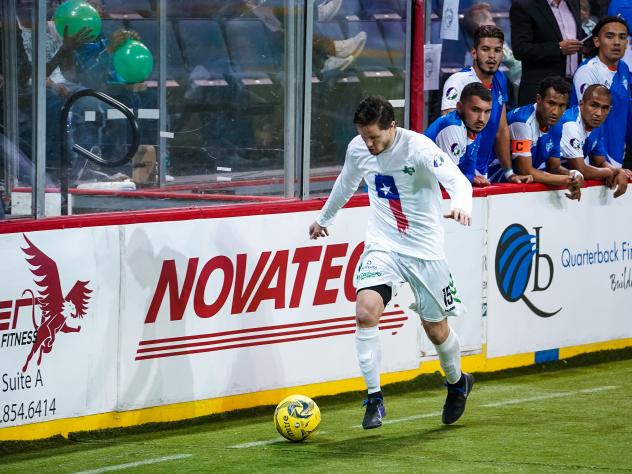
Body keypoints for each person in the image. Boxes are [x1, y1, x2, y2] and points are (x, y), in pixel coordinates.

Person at [309, 96, 475, 429]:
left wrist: (461, 205)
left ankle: (458, 382)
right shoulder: (358, 149)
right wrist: (324, 218)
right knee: (365, 311)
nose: (369, 144)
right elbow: (346, 182)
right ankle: (374, 398)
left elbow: (459, 181)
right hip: (383, 244)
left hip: (424, 250)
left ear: (392, 127)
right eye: (364, 136)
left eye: (375, 137)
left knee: (435, 329)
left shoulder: (420, 149)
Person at [441, 25, 531, 184]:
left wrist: (509, 172)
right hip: (456, 171)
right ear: (474, 53)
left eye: (497, 50)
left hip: (483, 171)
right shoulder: (458, 82)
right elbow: (448, 128)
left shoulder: (500, 79)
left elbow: (501, 129)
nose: (491, 56)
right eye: (485, 49)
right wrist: (466, 172)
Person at [490, 76, 583, 198]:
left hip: (519, 185)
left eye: (562, 106)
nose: (555, 111)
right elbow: (525, 170)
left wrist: (573, 175)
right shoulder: (523, 121)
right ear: (539, 99)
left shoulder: (557, 123)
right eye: (551, 103)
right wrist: (566, 181)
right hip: (495, 178)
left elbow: (554, 167)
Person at [572, 16, 632, 169]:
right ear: (597, 41)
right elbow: (587, 122)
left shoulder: (624, 69)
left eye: (622, 37)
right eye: (610, 36)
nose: (617, 42)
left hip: (618, 156)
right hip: (594, 162)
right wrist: (603, 164)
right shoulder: (588, 71)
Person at [560, 84, 629, 197]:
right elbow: (581, 169)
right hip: (539, 172)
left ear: (609, 109)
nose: (599, 113)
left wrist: (618, 171)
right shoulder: (571, 124)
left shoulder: (595, 124)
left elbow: (600, 162)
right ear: (581, 104)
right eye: (594, 105)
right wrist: (612, 172)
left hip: (565, 177)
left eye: (604, 108)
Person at [510, 0, 583, 105]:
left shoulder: (573, 2)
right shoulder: (524, 5)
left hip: (572, 90)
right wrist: (558, 49)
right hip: (541, 92)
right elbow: (521, 49)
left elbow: (577, 34)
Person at [425, 82, 492, 186]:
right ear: (459, 107)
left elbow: (467, 171)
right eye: (475, 110)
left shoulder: (473, 128)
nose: (481, 119)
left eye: (487, 111)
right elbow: (449, 178)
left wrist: (472, 176)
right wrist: (470, 178)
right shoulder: (453, 126)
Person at [462, 3, 522, 93]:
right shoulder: (496, 47)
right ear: (482, 26)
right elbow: (516, 63)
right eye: (491, 20)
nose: (494, 23)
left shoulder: (470, 53)